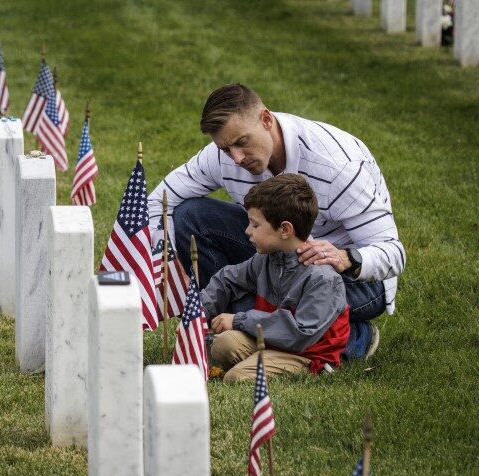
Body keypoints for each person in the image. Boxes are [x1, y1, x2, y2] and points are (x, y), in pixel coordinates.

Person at [147, 83, 406, 360]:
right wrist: (166, 257)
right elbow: (157, 201)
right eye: (226, 149)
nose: (236, 158)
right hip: (275, 263)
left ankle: (349, 338)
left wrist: (345, 258)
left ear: (267, 120)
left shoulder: (338, 166)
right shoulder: (223, 157)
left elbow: (394, 253)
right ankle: (234, 326)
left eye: (242, 143)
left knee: (289, 303)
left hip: (349, 282)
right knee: (191, 216)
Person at [200, 174, 349, 381]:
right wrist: (198, 313)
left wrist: (239, 320)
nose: (247, 231)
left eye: (255, 225)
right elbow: (228, 279)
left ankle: (306, 369)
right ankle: (258, 359)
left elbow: (300, 334)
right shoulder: (266, 260)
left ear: (285, 230)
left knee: (236, 377)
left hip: (305, 354)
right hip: (271, 341)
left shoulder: (323, 278)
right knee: (222, 345)